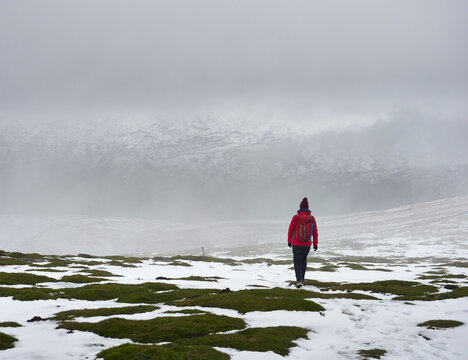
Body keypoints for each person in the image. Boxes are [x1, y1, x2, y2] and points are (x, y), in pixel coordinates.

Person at [287, 197, 318, 288]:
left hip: (296, 243)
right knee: (303, 261)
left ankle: (299, 280)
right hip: (307, 244)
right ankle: (302, 279)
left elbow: (291, 230)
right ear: (308, 208)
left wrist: (289, 241)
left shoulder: (296, 217)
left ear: (300, 207)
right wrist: (315, 243)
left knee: (297, 262)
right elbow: (315, 232)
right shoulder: (312, 218)